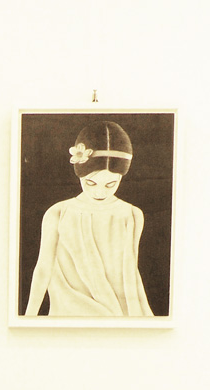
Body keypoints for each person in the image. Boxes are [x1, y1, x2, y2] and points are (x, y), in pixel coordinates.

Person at [24, 121, 153, 317]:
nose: (100, 192)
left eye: (110, 184)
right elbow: (43, 269)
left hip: (118, 315)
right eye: (91, 183)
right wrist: (28, 318)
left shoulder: (131, 214)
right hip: (68, 313)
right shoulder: (58, 212)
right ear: (79, 174)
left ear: (121, 178)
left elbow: (130, 274)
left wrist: (137, 321)